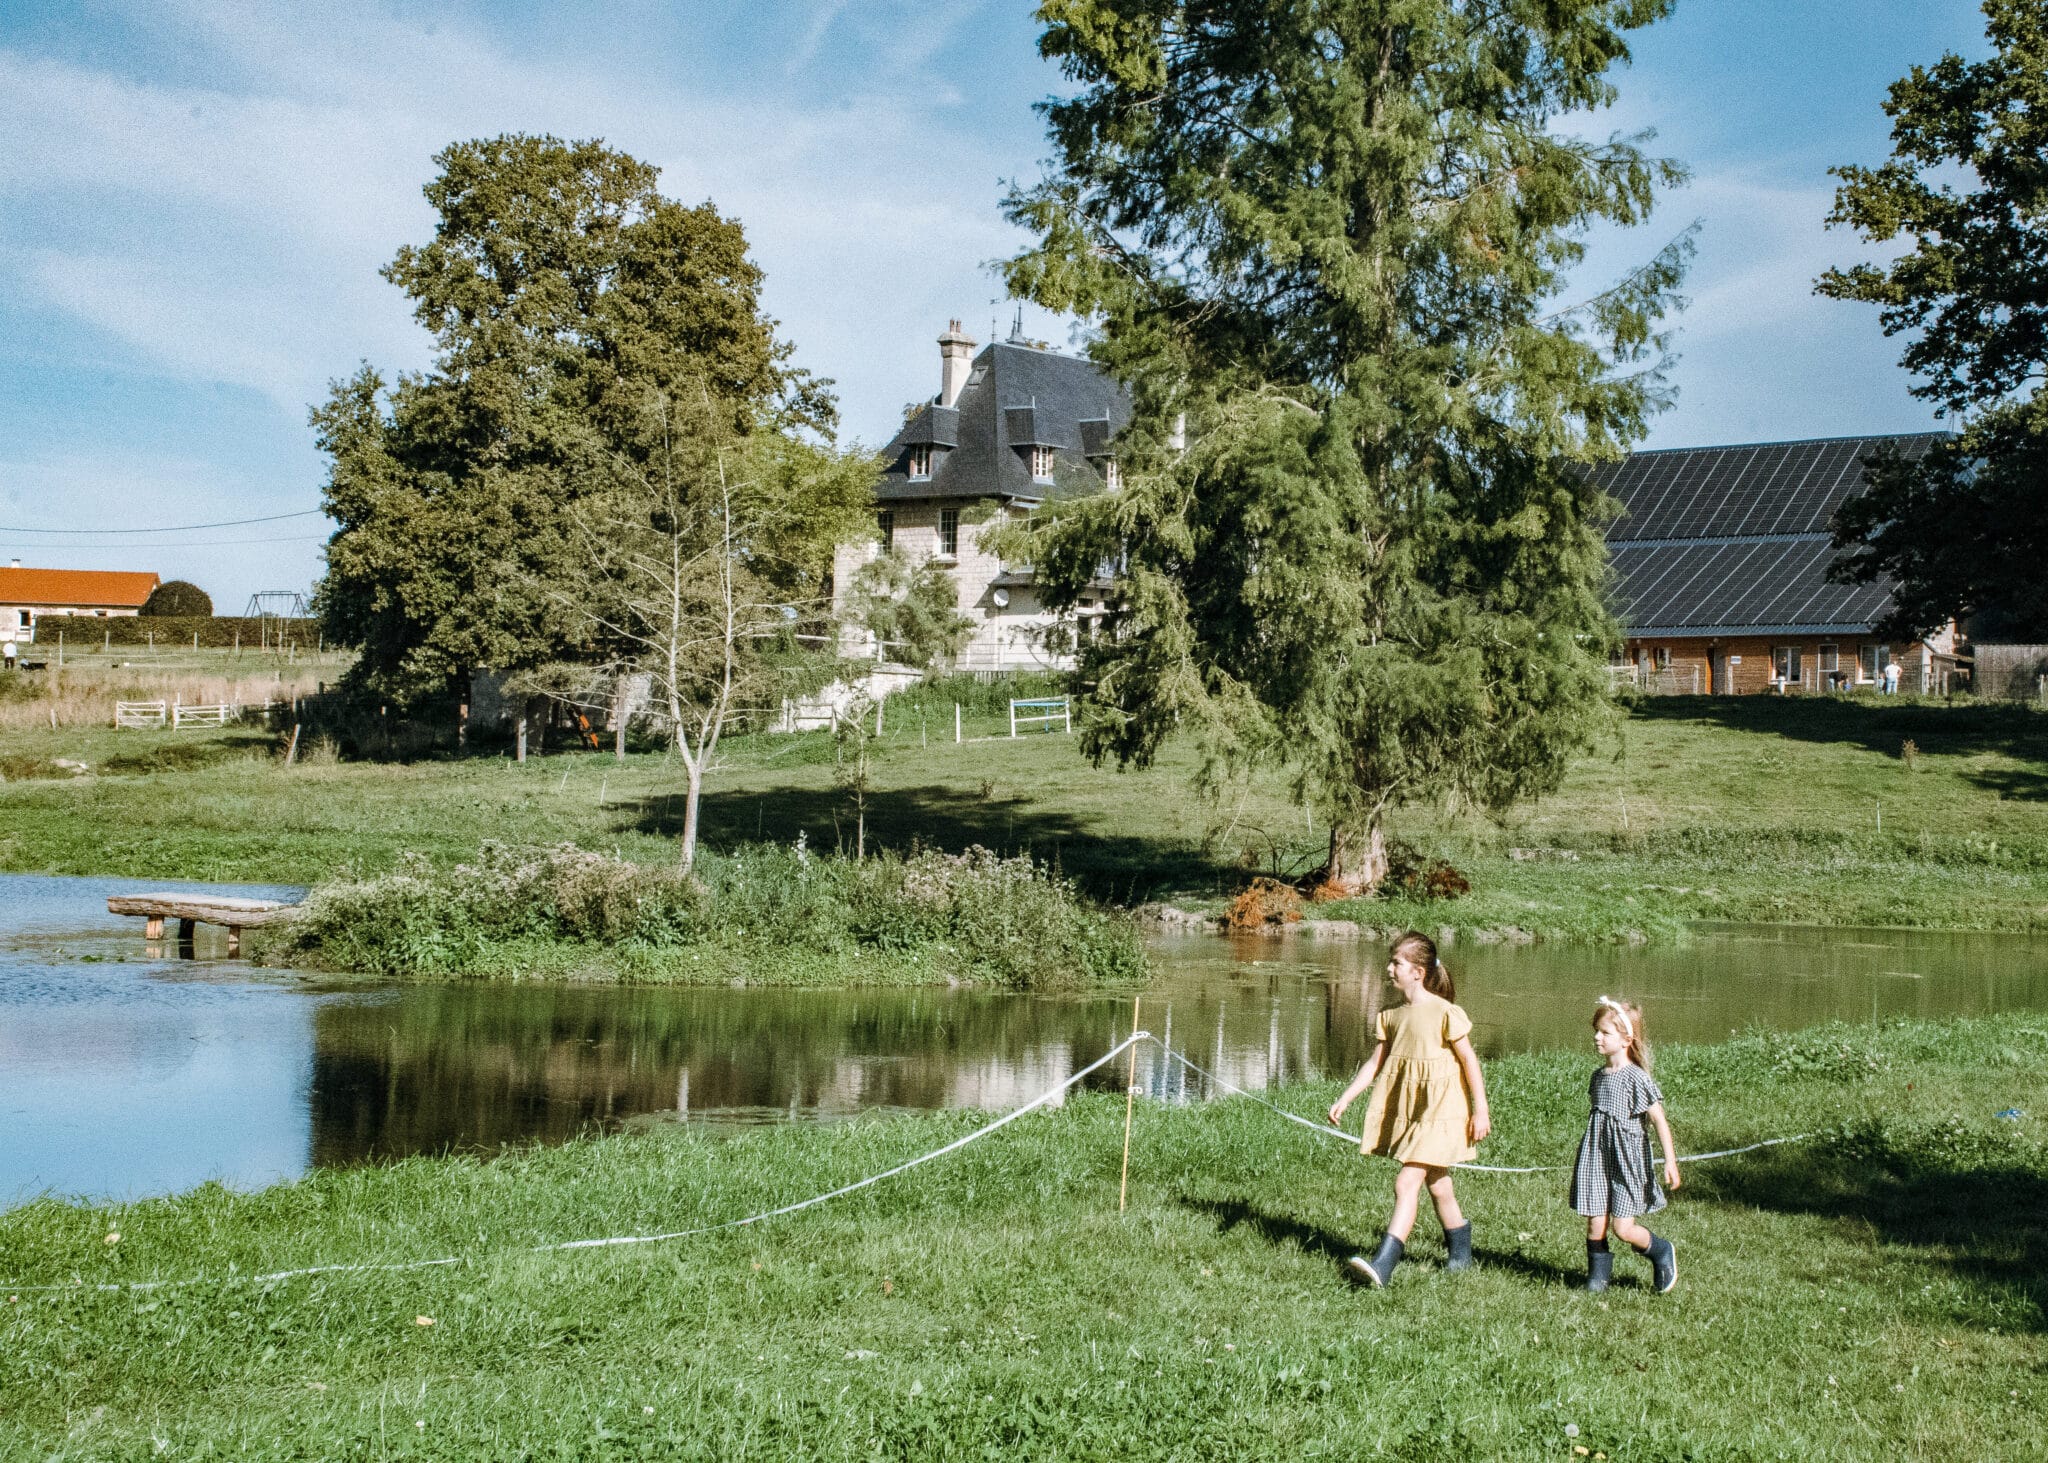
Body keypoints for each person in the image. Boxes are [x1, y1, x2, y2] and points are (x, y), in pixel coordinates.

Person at [1327, 930, 1491, 1287]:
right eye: (1390, 962)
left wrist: (1481, 1110)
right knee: (1438, 1183)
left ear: (1418, 972)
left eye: (1396, 963)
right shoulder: (1390, 1015)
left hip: (1441, 1110)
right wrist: (1345, 1097)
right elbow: (1374, 1064)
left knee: (1406, 1181)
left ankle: (1383, 1265)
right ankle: (1461, 1255)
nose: (1389, 969)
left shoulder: (1445, 1012)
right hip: (1414, 1110)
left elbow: (1469, 1061)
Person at [1571, 997, 1681, 1293]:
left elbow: (1659, 1120)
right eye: (1596, 1030)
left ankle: (1661, 1250)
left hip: (1627, 1161)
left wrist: (1670, 1161)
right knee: (1595, 1223)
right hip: (1597, 1158)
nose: (1597, 1037)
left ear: (1626, 1040)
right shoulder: (1598, 1077)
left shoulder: (1636, 1078)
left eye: (1605, 1032)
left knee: (1623, 1229)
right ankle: (1597, 1280)